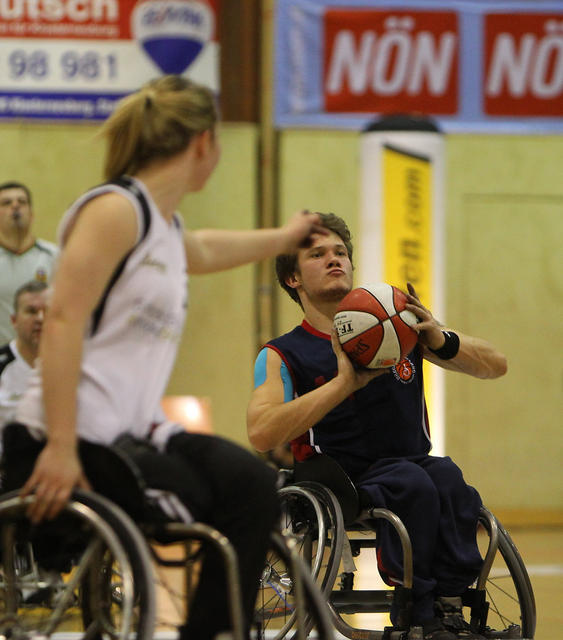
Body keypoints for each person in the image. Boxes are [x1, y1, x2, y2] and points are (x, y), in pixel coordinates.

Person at [2, 75, 325, 640]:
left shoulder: (162, 226)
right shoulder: (114, 210)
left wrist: (284, 237)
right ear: (204, 142)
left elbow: (204, 248)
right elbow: (62, 320)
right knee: (215, 502)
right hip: (66, 440)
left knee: (253, 484)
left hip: (129, 436)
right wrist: (60, 445)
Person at [247, 213, 508, 640]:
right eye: (318, 254)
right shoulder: (282, 353)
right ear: (293, 278)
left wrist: (439, 337)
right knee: (411, 482)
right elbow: (261, 432)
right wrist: (342, 385)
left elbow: (496, 365)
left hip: (412, 464)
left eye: (341, 252)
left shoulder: (399, 330)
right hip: (340, 478)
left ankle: (451, 605)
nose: (335, 260)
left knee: (449, 478)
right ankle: (416, 611)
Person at [0, 181, 58, 344]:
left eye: (22, 202)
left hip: (44, 352)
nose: (15, 206)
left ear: (32, 214)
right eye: (7, 203)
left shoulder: (55, 256)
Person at [0, 281, 48, 432]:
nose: (40, 318)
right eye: (31, 311)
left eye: (47, 311)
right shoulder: (2, 365)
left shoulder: (73, 365)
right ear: (14, 320)